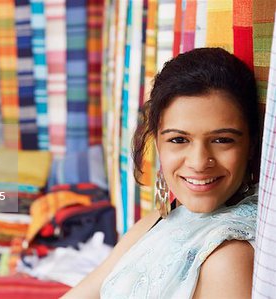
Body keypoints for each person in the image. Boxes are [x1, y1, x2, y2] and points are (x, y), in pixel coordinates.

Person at [62, 47, 261, 298]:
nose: (199, 162)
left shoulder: (229, 258)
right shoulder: (164, 218)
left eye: (222, 140)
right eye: (179, 140)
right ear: (157, 144)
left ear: (251, 146)